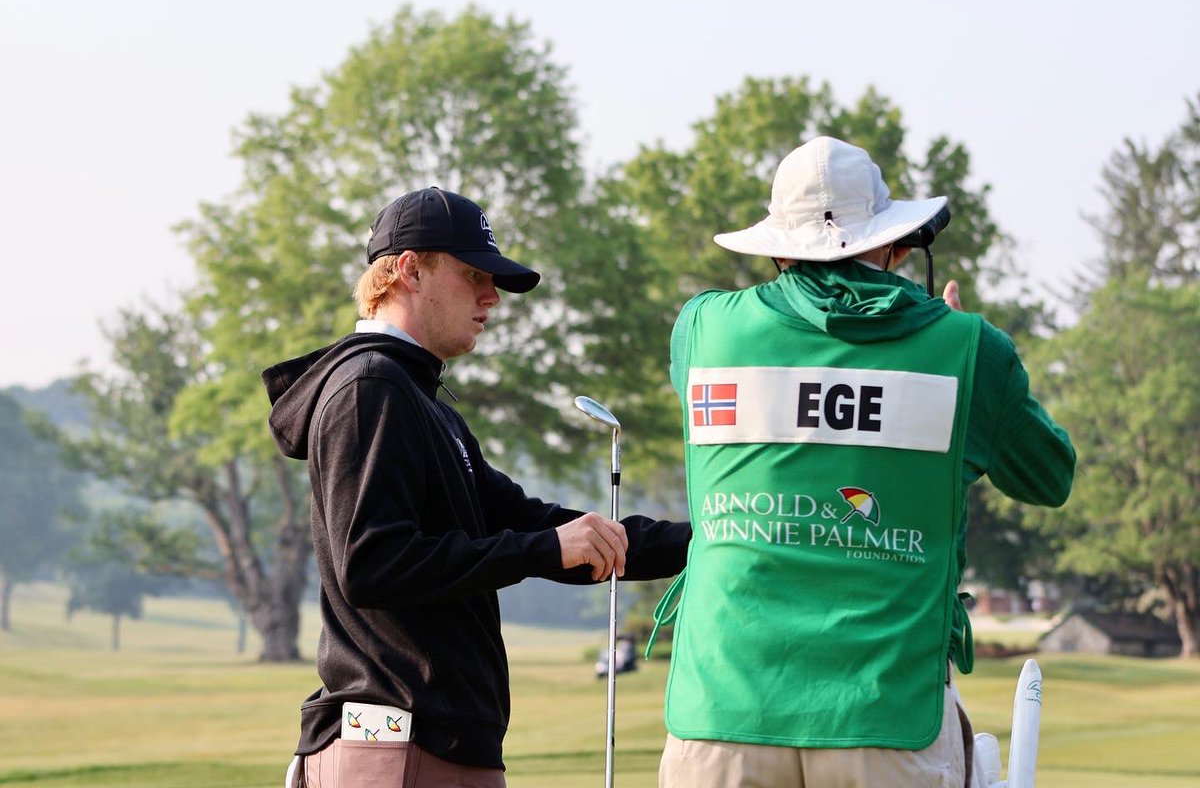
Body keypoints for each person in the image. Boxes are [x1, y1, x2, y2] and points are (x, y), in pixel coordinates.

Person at [652, 137, 1075, 788]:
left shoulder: (702, 328)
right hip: (885, 718)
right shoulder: (969, 350)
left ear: (775, 245)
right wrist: (963, 366)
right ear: (897, 246)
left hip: (722, 714)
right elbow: (1050, 476)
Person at [262, 186, 690, 787]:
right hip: (396, 744)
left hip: (441, 746)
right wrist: (543, 549)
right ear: (410, 271)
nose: (491, 297)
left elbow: (530, 524)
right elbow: (373, 563)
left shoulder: (422, 401)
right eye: (473, 275)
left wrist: (716, 543)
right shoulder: (370, 389)